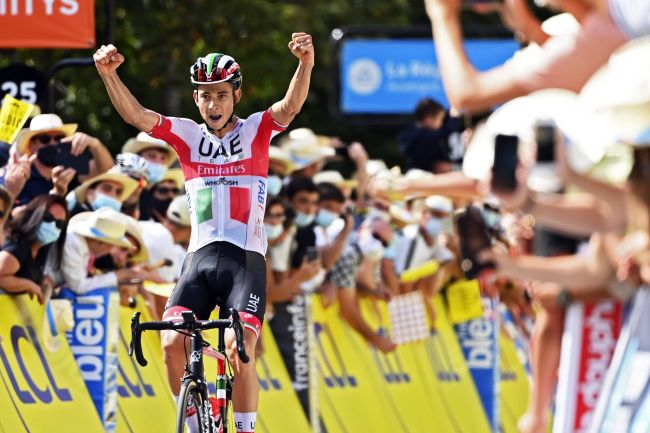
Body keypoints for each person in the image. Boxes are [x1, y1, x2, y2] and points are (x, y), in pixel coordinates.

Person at [94, 31, 314, 433]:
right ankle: (194, 423)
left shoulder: (256, 130)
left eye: (222, 95)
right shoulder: (186, 134)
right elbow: (136, 117)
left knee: (238, 348)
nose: (214, 104)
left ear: (236, 96)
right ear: (196, 98)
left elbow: (291, 105)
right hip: (198, 260)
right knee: (168, 342)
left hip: (244, 260)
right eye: (206, 95)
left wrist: (305, 63)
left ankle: (245, 428)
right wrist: (108, 74)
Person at [422, 0, 649, 113]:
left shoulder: (612, 28)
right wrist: (528, 26)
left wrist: (442, 16)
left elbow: (467, 94)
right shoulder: (612, 24)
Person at [7, 113, 114, 204]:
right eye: (45, 139)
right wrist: (57, 193)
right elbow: (17, 218)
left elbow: (106, 169)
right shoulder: (21, 175)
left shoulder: (71, 167)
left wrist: (95, 144)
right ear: (31, 146)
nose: (53, 143)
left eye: (59, 138)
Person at [328, 218, 397, 352]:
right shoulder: (349, 253)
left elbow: (348, 283)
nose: (378, 243)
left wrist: (374, 293)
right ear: (362, 229)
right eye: (376, 236)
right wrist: (377, 340)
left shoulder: (357, 250)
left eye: (384, 243)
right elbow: (347, 309)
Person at [0, 194, 68, 304]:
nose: (52, 225)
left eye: (59, 224)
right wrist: (29, 285)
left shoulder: (41, 249)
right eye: (48, 217)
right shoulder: (18, 246)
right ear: (34, 214)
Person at [398, 98, 465, 173]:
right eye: (440, 119)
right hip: (421, 176)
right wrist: (454, 119)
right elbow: (441, 133)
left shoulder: (411, 134)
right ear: (429, 119)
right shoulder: (420, 136)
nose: (441, 124)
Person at [67, 167, 139, 216]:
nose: (113, 195)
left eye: (118, 192)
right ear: (90, 193)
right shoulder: (71, 216)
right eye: (107, 188)